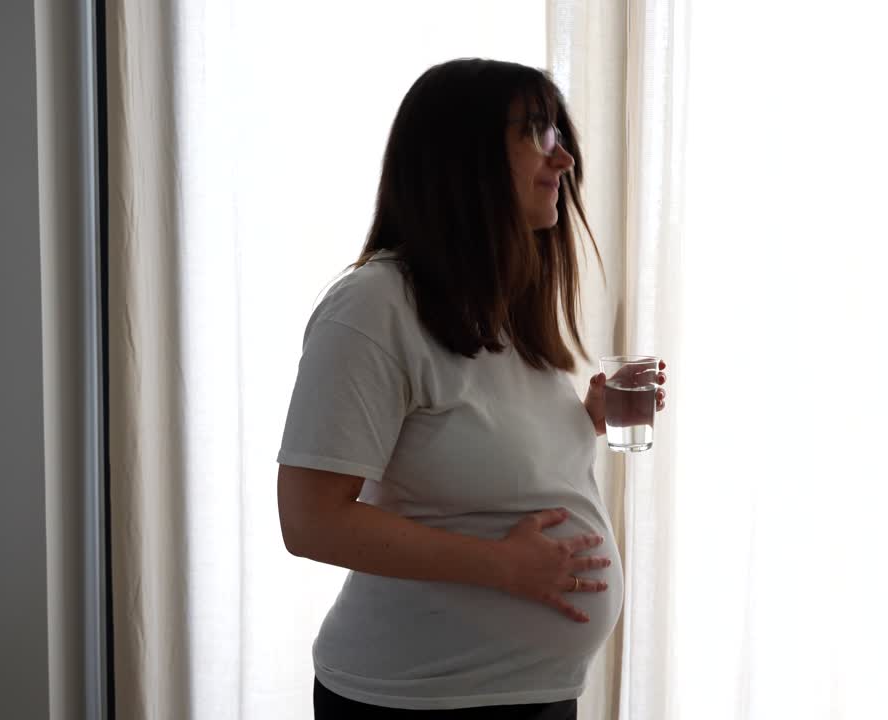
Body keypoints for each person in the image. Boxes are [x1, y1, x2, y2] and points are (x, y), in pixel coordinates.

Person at [276, 58, 668, 719]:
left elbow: (480, 462)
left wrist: (587, 418)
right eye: (538, 133)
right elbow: (310, 520)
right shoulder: (373, 308)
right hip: (418, 701)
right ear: (465, 157)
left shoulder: (504, 309)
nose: (565, 158)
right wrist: (501, 566)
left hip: (535, 694)